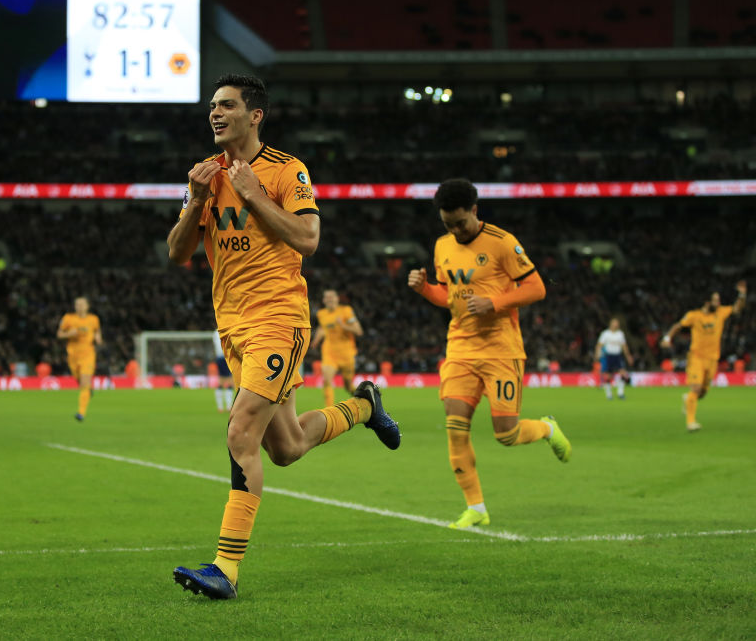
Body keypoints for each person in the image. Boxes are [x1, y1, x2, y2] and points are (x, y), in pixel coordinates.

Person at [167, 73, 400, 600]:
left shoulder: (284, 170)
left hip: (278, 317)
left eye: (227, 105)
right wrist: (195, 197)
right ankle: (364, 407)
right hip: (233, 326)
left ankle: (225, 569)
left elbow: (308, 239)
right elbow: (179, 253)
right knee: (288, 447)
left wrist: (252, 197)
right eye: (211, 106)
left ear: (255, 115)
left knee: (240, 432)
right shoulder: (205, 176)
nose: (215, 113)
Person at [407, 178, 571, 530]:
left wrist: (494, 302)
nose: (454, 230)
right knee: (455, 428)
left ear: (475, 211)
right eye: (447, 223)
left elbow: (537, 288)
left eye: (460, 223)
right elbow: (448, 297)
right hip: (461, 348)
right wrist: (425, 289)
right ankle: (476, 508)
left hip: (500, 349)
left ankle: (546, 428)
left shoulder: (501, 243)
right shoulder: (442, 246)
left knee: (506, 435)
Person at [660, 281, 747, 432]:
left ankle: (688, 399)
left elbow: (737, 309)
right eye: (715, 300)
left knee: (702, 392)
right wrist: (668, 338)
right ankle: (691, 422)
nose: (718, 302)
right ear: (707, 302)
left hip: (713, 359)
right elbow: (678, 325)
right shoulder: (694, 316)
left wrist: (742, 294)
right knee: (696, 387)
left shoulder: (720, 312)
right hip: (696, 357)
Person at [310, 289, 364, 406]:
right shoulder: (321, 314)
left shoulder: (346, 311)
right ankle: (329, 412)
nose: (330, 299)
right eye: (327, 297)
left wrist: (343, 325)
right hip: (329, 352)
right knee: (327, 381)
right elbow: (322, 328)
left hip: (347, 353)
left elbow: (358, 331)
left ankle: (364, 400)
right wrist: (316, 340)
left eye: (332, 296)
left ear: (337, 299)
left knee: (348, 386)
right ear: (324, 300)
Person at [56, 296, 102, 421]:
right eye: (77, 304)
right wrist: (68, 334)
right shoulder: (68, 318)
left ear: (87, 306)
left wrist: (98, 338)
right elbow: (59, 334)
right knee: (80, 381)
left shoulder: (94, 319)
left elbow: (97, 331)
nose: (80, 306)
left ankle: (81, 412)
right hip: (73, 355)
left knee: (84, 382)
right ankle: (88, 391)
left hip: (88, 354)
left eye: (82, 304)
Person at [594, 317, 634, 400]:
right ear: (611, 324)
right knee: (608, 376)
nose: (616, 325)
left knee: (623, 373)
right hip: (608, 356)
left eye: (617, 323)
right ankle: (609, 394)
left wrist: (628, 356)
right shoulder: (605, 334)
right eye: (614, 323)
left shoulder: (620, 334)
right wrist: (597, 354)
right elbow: (599, 345)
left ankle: (620, 393)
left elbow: (624, 346)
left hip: (618, 356)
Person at [212, 329, 235, 413]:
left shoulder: (215, 333)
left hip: (219, 357)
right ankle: (228, 406)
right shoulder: (227, 330)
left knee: (222, 381)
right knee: (229, 381)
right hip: (225, 357)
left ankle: (221, 407)